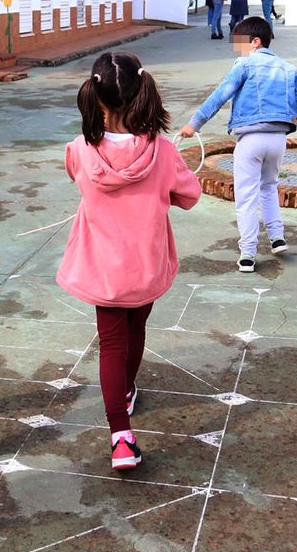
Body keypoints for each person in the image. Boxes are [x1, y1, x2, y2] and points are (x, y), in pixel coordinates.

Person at [57, 50, 201, 471]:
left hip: (103, 268)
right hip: (146, 264)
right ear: (143, 93)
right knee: (135, 330)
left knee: (111, 343)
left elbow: (77, 177)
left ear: (95, 101)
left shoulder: (79, 150)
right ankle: (126, 389)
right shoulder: (163, 151)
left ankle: (121, 436)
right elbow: (189, 196)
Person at [179, 17, 297, 272]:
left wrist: (194, 124)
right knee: (269, 187)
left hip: (250, 139)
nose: (237, 50)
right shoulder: (288, 68)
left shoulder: (245, 64)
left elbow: (221, 94)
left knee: (246, 196)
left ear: (255, 42)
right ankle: (277, 237)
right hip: (279, 139)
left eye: (240, 44)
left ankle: (247, 253)